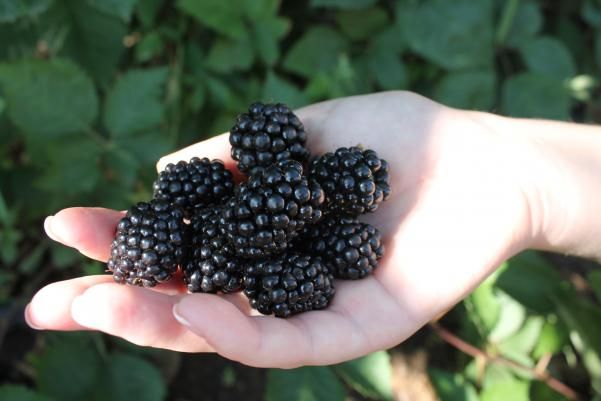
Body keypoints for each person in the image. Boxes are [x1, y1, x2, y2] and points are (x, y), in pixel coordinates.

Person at [24, 91, 601, 368]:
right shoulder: (240, 217)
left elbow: (276, 219)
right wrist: (520, 177)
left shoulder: (285, 205)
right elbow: (255, 221)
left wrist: (513, 176)